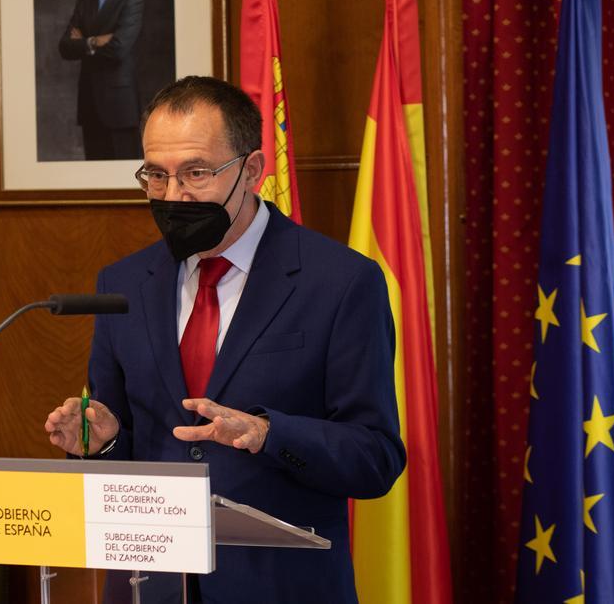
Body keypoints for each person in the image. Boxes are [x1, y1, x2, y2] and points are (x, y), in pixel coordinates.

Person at [43, 76, 406, 603]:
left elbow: (375, 458)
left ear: (252, 170)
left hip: (280, 588)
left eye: (195, 173)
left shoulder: (341, 282)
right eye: (156, 176)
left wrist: (266, 433)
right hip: (151, 587)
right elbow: (126, 451)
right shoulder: (122, 284)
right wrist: (101, 443)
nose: (174, 196)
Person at [57, 0, 143, 161]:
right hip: (90, 104)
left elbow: (118, 49)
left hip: (120, 106)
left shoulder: (132, 0)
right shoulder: (83, 3)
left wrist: (83, 41)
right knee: (94, 177)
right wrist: (95, 41)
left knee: (124, 179)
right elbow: (65, 47)